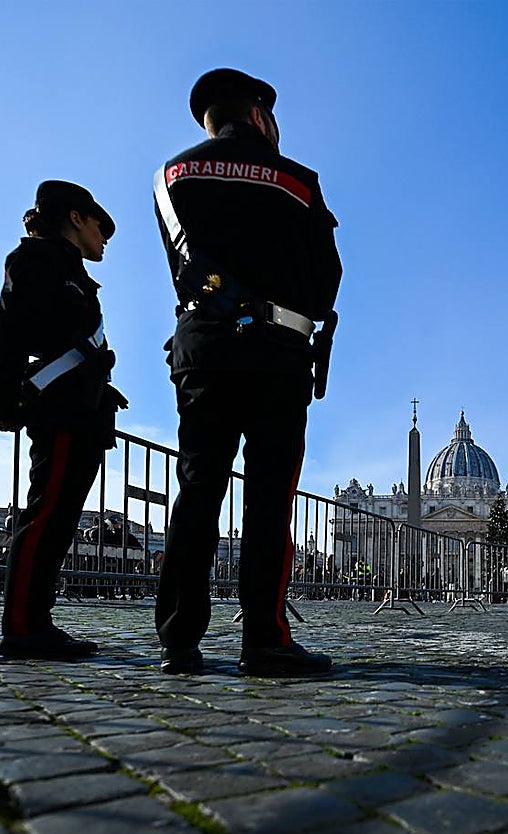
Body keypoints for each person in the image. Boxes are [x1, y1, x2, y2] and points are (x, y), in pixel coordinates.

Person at [153, 68, 343, 677]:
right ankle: (263, 637)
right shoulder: (298, 181)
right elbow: (326, 278)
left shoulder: (171, 176)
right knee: (269, 498)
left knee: (197, 489)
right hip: (276, 351)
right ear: (260, 116)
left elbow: (181, 267)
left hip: (202, 348)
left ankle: (179, 638)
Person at [0, 180, 124, 660]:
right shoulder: (36, 261)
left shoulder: (73, 272)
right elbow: (6, 335)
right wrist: (4, 401)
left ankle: (36, 621)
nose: (104, 237)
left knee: (60, 521)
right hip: (60, 408)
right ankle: (22, 627)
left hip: (83, 407)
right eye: (100, 226)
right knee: (44, 517)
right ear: (76, 219)